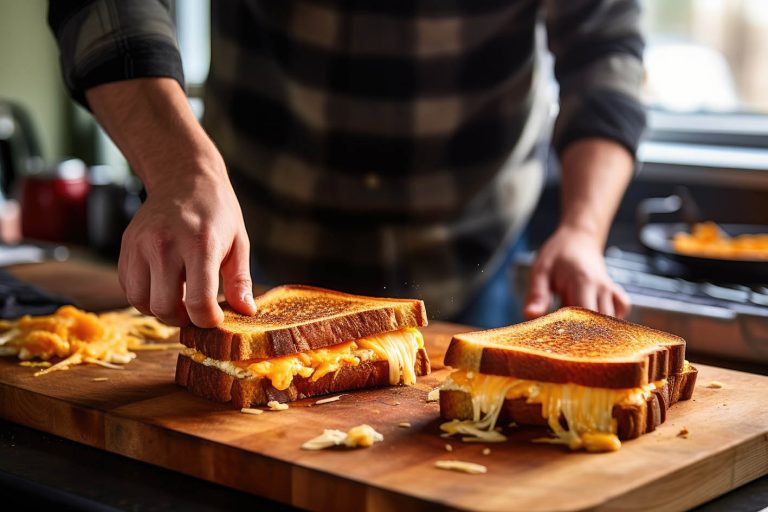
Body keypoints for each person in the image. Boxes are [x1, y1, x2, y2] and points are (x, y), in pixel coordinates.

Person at [48, 0, 644, 329]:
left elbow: (605, 53)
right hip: (251, 250)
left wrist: (583, 230)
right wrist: (179, 168)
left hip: (474, 254)